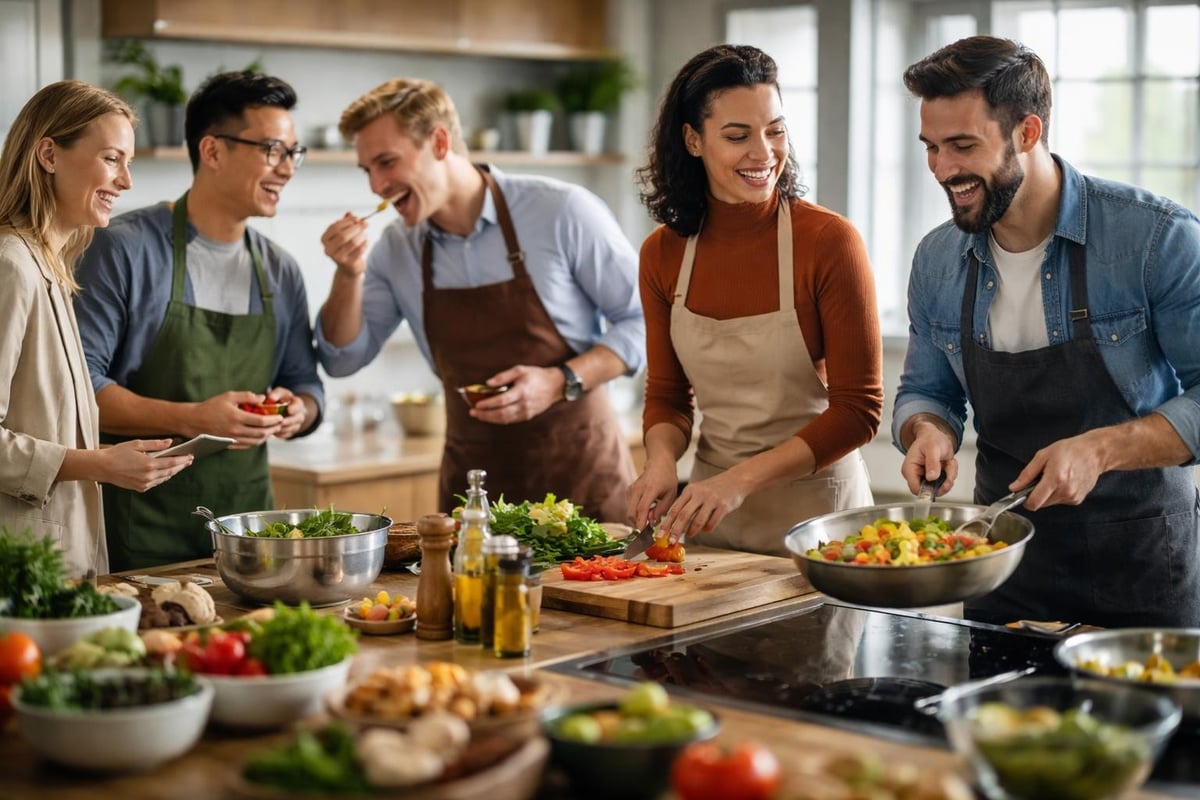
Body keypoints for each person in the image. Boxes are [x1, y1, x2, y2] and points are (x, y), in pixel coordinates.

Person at [895, 36, 1200, 627]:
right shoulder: (936, 260)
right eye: (930, 148)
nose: (942, 169)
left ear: (1028, 133)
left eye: (962, 146)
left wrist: (1100, 449)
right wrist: (926, 430)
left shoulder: (1156, 239)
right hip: (1003, 566)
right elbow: (926, 390)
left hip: (1143, 568)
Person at [316, 78, 644, 522]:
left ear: (439, 142)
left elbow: (645, 323)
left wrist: (560, 379)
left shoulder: (561, 211)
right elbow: (341, 359)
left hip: (580, 481)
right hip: (473, 496)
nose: (376, 184)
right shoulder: (398, 248)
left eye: (387, 162)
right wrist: (347, 273)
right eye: (366, 170)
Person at [627, 44, 882, 557]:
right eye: (737, 136)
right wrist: (660, 463)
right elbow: (669, 396)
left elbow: (859, 411)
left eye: (776, 130)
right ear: (693, 140)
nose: (763, 153)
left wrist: (738, 482)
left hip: (819, 526)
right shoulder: (663, 253)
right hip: (709, 521)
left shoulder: (830, 242)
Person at [74, 71, 325, 571]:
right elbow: (80, 393)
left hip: (250, 530)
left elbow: (305, 381)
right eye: (273, 149)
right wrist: (195, 418)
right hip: (141, 531)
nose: (287, 169)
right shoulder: (123, 248)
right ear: (212, 151)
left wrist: (299, 410)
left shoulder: (280, 269)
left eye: (293, 153)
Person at [0, 80, 192, 576]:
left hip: (58, 559)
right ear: (48, 154)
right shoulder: (10, 265)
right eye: (112, 159)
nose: (126, 182)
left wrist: (105, 457)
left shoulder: (51, 266)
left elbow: (36, 426)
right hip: (22, 567)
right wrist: (99, 466)